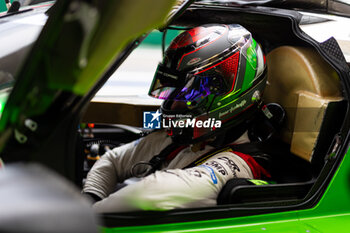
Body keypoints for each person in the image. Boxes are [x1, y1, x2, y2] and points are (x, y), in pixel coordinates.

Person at [83, 24, 270, 213]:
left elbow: (147, 194)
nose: (172, 105)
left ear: (226, 95)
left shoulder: (240, 162)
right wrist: (90, 197)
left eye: (185, 95)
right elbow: (113, 160)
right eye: (172, 91)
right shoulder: (188, 136)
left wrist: (79, 216)